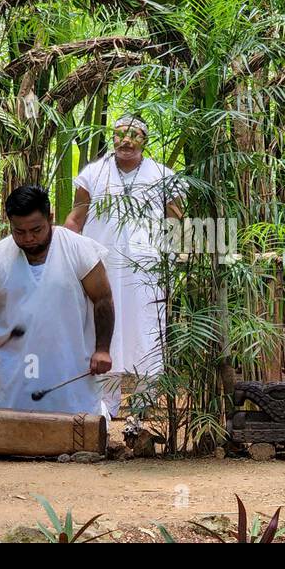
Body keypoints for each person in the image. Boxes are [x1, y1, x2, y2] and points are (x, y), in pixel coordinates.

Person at [63, 115, 182, 418]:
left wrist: (173, 261)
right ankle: (103, 406)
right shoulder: (93, 174)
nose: (126, 140)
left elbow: (176, 223)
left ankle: (146, 404)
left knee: (147, 328)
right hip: (100, 267)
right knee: (103, 329)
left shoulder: (164, 176)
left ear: (145, 139)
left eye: (135, 134)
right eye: (120, 134)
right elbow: (75, 220)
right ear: (112, 138)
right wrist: (65, 256)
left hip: (147, 269)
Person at [0, 185, 116, 416]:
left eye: (36, 230)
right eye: (19, 232)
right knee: (12, 432)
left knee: (76, 429)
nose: (29, 238)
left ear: (50, 218)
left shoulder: (80, 250)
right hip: (14, 368)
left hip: (70, 365)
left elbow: (103, 299)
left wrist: (102, 349)